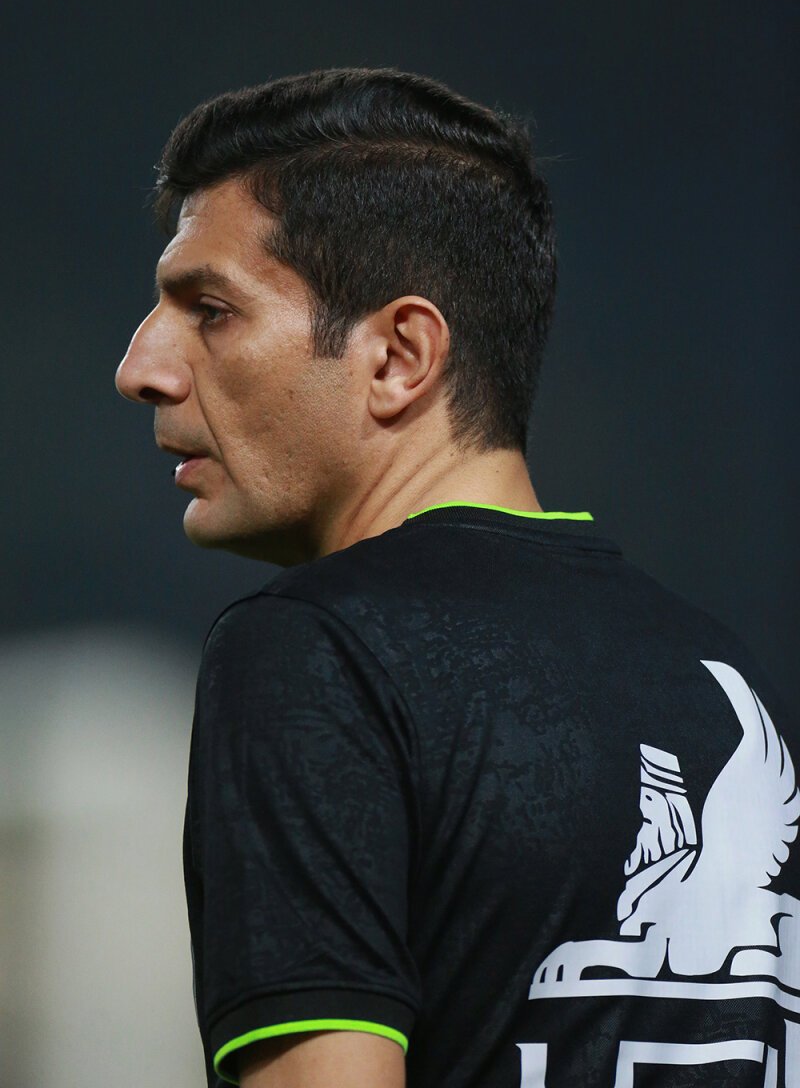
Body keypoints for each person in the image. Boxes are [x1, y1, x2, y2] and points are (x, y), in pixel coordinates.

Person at [114, 68, 800, 1088]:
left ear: (399, 355)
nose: (141, 367)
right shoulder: (721, 681)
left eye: (210, 310)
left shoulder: (314, 655)